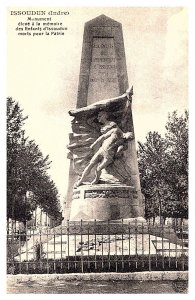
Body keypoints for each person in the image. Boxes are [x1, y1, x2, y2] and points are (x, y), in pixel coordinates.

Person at [75, 111, 134, 187]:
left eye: (129, 139)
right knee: (90, 165)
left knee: (98, 168)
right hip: (102, 150)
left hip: (109, 156)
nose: (127, 138)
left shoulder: (123, 141)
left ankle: (96, 180)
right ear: (127, 133)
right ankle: (80, 181)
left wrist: (119, 150)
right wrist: (94, 144)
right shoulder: (116, 130)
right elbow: (103, 137)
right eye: (128, 136)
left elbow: (120, 149)